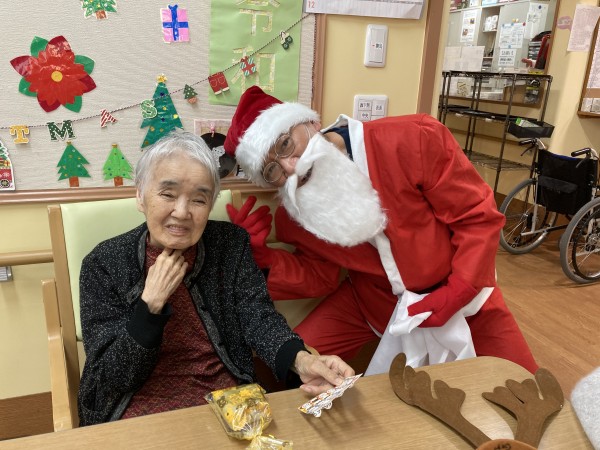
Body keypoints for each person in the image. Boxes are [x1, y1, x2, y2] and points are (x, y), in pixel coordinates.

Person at [223, 86, 538, 375]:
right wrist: (263, 259)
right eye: (272, 170)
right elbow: (320, 275)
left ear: (310, 123)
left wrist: (460, 289)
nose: (292, 167)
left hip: (465, 296)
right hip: (372, 305)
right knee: (291, 367)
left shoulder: (412, 139)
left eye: (285, 144)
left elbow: (476, 217)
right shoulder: (294, 215)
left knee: (525, 388)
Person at [77, 131, 354, 426]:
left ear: (210, 205)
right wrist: (149, 306)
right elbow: (108, 378)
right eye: (168, 195)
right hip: (137, 403)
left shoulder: (230, 245)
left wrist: (303, 360)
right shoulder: (103, 263)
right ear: (140, 196)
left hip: (226, 396)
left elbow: (259, 319)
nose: (182, 212)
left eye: (199, 199)